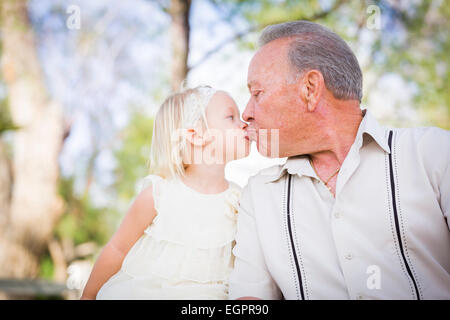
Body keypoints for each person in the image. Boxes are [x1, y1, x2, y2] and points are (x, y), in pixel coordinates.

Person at [228, 20, 450, 300]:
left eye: (257, 93)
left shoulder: (435, 153)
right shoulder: (258, 195)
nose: (246, 113)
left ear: (310, 88)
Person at [81, 86, 250, 299]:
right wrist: (87, 296)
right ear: (196, 135)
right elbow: (117, 249)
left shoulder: (239, 200)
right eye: (231, 116)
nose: (244, 123)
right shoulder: (159, 195)